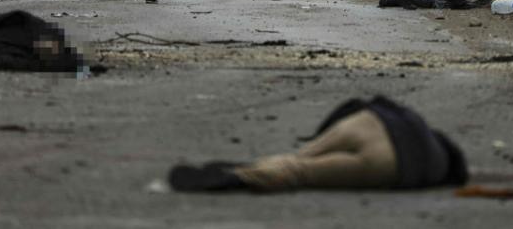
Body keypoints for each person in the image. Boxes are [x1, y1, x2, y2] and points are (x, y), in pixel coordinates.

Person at [168, 95, 468, 192]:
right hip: (392, 163)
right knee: (304, 173)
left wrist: (319, 136)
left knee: (302, 156)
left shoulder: (417, 122)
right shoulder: (437, 167)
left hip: (368, 121)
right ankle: (247, 176)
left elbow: (357, 104)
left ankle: (278, 160)